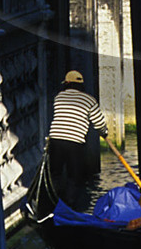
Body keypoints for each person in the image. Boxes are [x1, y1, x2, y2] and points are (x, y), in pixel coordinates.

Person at [44, 68, 106, 211]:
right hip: (75, 142)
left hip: (56, 139)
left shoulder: (59, 97)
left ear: (66, 83)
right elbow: (99, 123)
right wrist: (105, 133)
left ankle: (55, 203)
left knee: (55, 173)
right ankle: (69, 206)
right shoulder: (89, 100)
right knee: (74, 176)